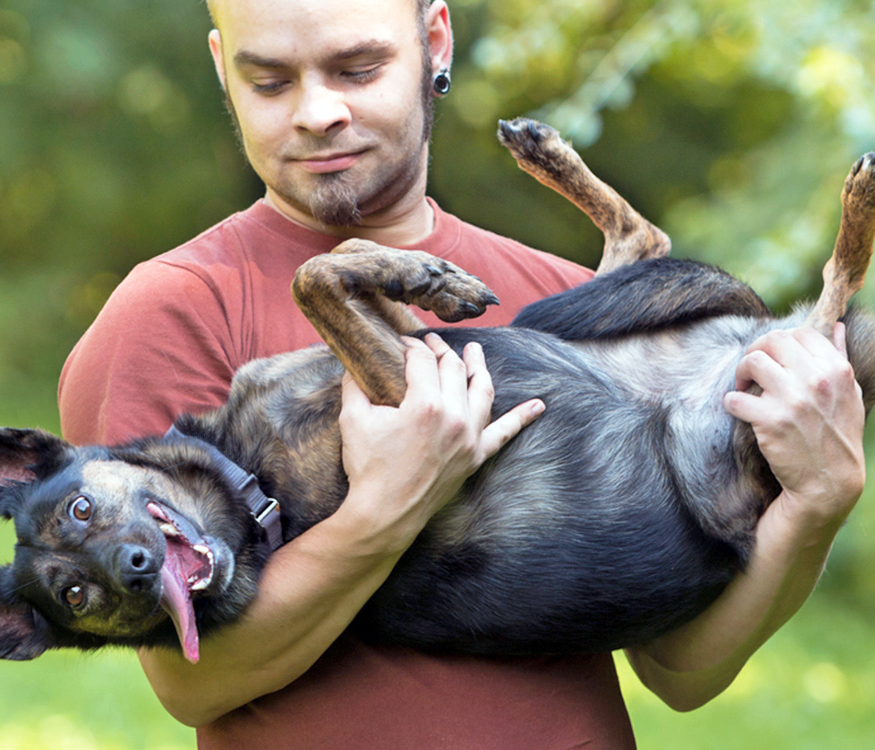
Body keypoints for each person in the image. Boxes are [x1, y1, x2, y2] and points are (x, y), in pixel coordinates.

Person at [57, 0, 866, 747]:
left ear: (433, 40)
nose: (315, 113)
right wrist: (385, 507)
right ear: (221, 68)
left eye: (357, 70)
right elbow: (193, 682)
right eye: (268, 80)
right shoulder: (176, 310)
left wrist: (817, 499)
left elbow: (679, 669)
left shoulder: (556, 290)